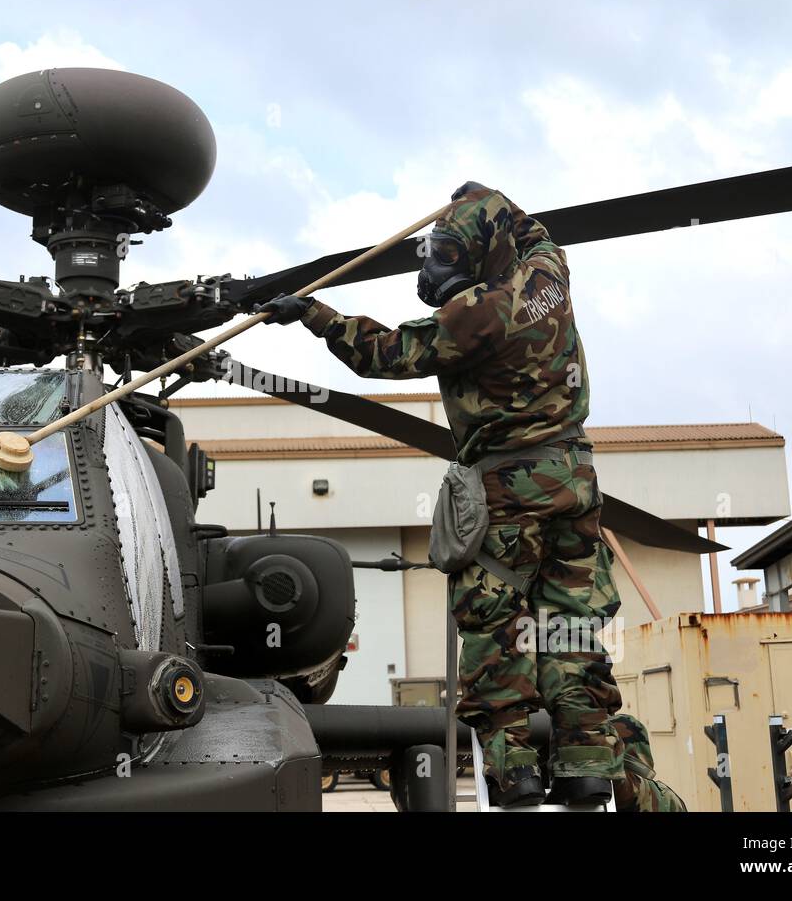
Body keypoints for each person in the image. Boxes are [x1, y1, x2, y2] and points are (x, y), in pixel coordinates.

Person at [262, 183, 625, 807]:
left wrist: (312, 315)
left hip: (509, 491)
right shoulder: (547, 278)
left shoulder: (474, 319)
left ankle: (516, 775)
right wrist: (490, 201)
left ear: (479, 260)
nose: (432, 270)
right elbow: (537, 233)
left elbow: (382, 353)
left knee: (496, 629)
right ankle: (588, 765)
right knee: (571, 627)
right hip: (576, 481)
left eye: (446, 258)